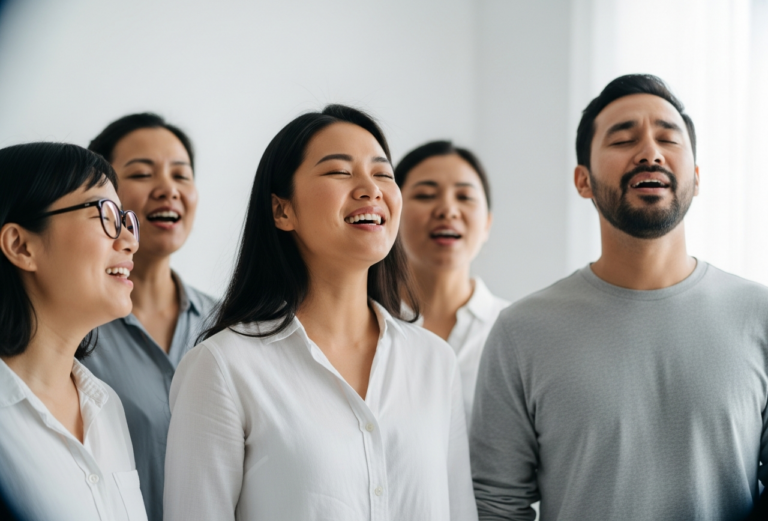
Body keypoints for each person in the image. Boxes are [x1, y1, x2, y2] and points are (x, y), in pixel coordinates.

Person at [470, 74, 768, 520]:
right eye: (623, 139)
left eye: (668, 138)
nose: (649, 152)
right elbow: (495, 504)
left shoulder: (759, 316)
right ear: (583, 180)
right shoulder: (522, 331)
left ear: (697, 177)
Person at [164, 105, 478, 521]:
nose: (372, 189)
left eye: (383, 173)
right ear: (282, 211)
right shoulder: (222, 366)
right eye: (340, 172)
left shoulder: (434, 361)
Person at [0, 143, 146, 521]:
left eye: (126, 219)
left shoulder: (106, 406)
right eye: (106, 215)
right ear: (21, 245)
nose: (129, 240)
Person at [82, 113, 216, 521]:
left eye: (182, 175)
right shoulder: (72, 327)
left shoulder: (231, 323)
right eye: (142, 173)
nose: (168, 190)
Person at [395, 141, 509, 421]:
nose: (447, 210)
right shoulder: (362, 326)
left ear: (487, 224)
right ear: (391, 214)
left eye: (465, 197)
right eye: (425, 195)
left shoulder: (515, 332)